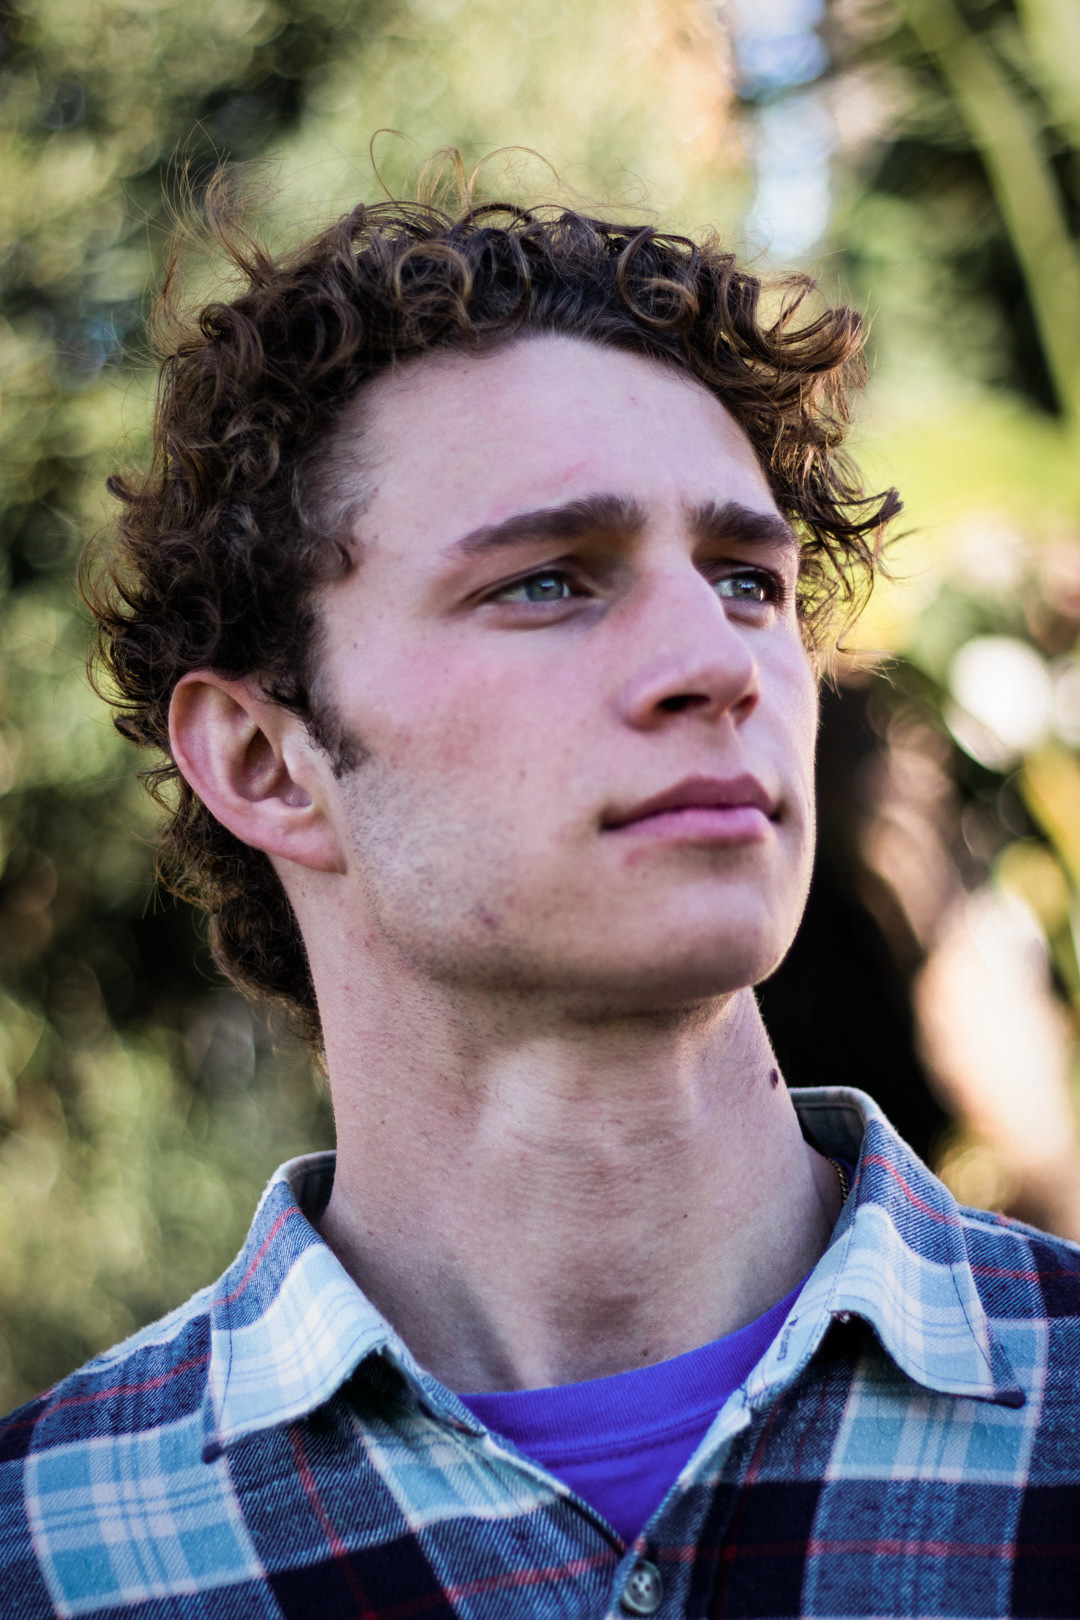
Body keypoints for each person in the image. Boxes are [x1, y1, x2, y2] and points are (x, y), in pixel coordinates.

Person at [1, 176, 1077, 1620]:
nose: (721, 664)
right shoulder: (53, 1556)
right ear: (263, 759)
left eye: (748, 582)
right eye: (550, 583)